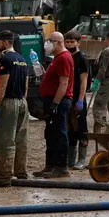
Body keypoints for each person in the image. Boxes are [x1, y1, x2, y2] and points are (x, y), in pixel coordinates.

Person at [0, 30, 29, 187]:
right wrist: (22, 102)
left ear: (5, 42)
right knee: (21, 140)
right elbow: (25, 86)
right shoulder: (22, 59)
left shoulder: (5, 59)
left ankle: (4, 178)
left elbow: (2, 85)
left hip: (9, 102)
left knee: (6, 140)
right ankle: (21, 173)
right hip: (22, 102)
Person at [34, 31, 74, 178]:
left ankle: (61, 167)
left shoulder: (63, 58)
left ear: (58, 42)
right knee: (50, 133)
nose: (47, 43)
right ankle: (50, 165)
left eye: (50, 41)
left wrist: (55, 104)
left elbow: (64, 83)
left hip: (58, 101)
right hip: (51, 100)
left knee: (59, 133)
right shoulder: (56, 58)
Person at [64, 30, 90, 170]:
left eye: (72, 42)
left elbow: (84, 81)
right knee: (70, 128)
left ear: (78, 43)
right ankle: (71, 159)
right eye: (67, 42)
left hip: (78, 97)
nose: (69, 44)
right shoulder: (65, 57)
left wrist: (80, 99)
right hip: (67, 97)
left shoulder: (82, 59)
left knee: (81, 128)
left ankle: (82, 160)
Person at [92, 32, 109, 133]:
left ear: (107, 39)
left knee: (98, 106)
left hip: (107, 82)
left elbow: (103, 68)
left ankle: (97, 132)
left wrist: (97, 81)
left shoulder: (107, 51)